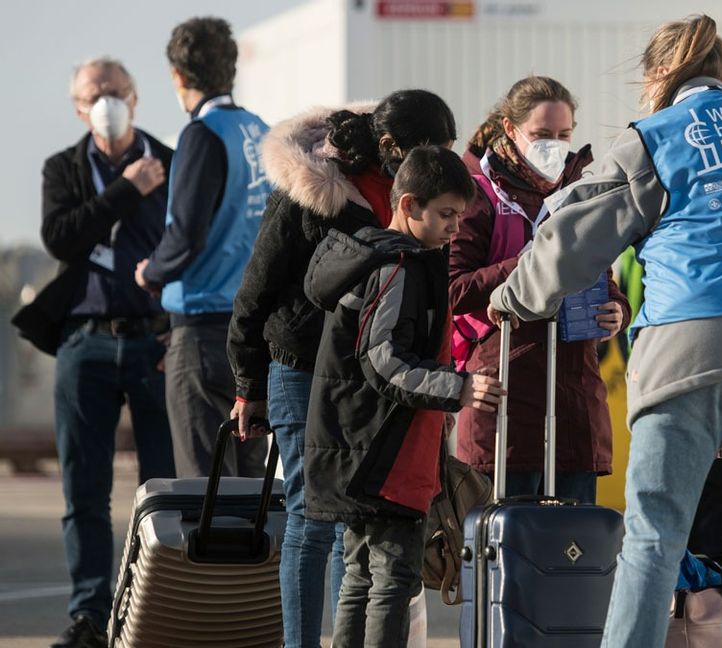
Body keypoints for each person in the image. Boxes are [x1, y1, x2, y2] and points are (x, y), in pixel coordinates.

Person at [485, 14, 722, 646]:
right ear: (721, 72)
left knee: (653, 539)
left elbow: (576, 232)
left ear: (659, 75)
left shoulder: (654, 139)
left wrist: (516, 297)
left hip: (691, 344)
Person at [227, 90, 460, 648]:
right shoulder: (313, 190)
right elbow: (256, 289)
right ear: (388, 145)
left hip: (368, 385)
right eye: (428, 150)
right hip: (301, 368)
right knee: (311, 517)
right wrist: (247, 384)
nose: (435, 164)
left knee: (352, 520)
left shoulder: (415, 199)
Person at [302, 146, 504, 648]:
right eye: (447, 215)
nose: (455, 228)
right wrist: (458, 387)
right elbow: (384, 361)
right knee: (392, 576)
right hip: (384, 453)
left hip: (355, 445)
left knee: (359, 575)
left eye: (461, 216)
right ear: (409, 204)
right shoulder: (400, 266)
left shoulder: (376, 256)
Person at [16, 57, 176, 648]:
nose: (104, 101)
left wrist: (176, 331)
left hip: (154, 341)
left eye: (114, 91)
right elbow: (62, 237)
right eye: (93, 94)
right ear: (77, 107)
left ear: (134, 98)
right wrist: (125, 190)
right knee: (83, 490)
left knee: (162, 487)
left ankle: (158, 609)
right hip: (85, 341)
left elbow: (193, 246)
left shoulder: (173, 161)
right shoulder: (64, 167)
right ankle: (89, 614)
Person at [449, 76, 629, 504]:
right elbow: (453, 289)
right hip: (505, 391)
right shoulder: (480, 193)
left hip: (574, 396)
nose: (555, 145)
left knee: (573, 548)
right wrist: (532, 265)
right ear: (510, 130)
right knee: (507, 545)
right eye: (541, 135)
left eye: (564, 135)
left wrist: (616, 310)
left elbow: (602, 277)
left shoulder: (582, 193)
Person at [135, 16, 271, 478]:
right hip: (254, 332)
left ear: (178, 76)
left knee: (204, 490)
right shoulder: (260, 130)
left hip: (202, 332)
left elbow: (186, 235)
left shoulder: (202, 134)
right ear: (231, 69)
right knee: (253, 495)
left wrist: (151, 272)